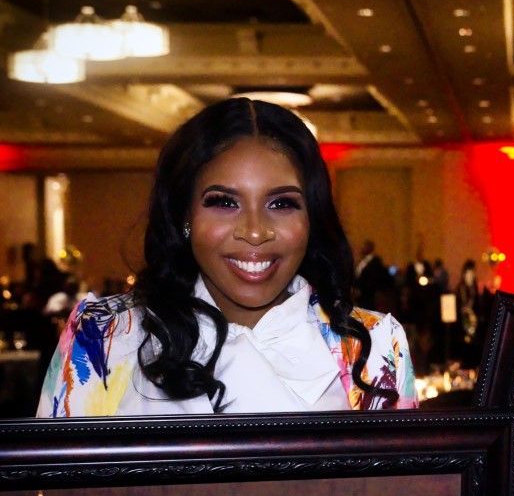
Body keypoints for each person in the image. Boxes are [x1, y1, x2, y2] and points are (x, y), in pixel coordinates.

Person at [37, 98, 416, 418]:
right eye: (224, 202)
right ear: (184, 215)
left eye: (281, 203)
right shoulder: (103, 337)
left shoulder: (375, 346)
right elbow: (57, 483)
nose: (255, 231)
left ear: (311, 218)